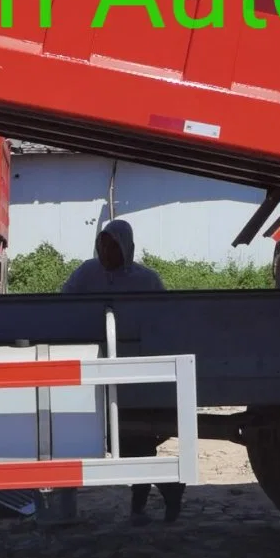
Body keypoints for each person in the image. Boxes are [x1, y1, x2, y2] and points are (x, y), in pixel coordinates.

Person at [62, 219, 184, 523]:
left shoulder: (147, 280)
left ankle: (160, 494)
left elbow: (166, 322)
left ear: (126, 247)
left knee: (133, 437)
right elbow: (62, 306)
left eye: (112, 245)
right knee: (125, 438)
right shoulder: (86, 274)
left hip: (136, 375)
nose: (106, 251)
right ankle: (156, 495)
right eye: (102, 244)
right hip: (97, 369)